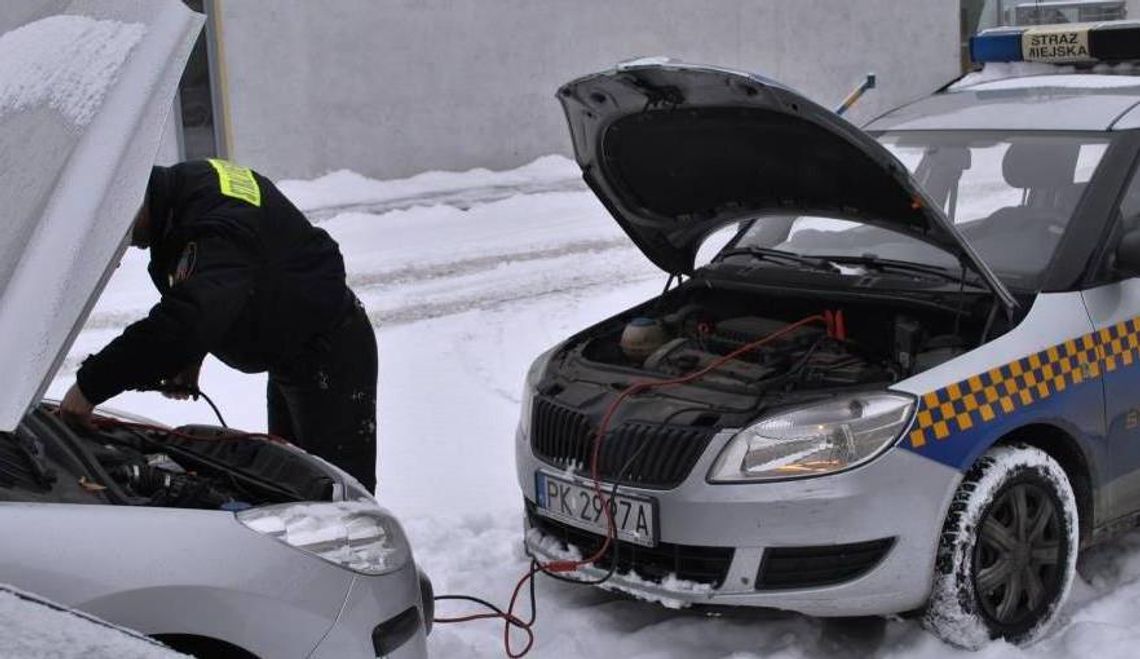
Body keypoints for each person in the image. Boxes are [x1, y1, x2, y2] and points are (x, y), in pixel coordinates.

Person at [59, 160, 378, 492]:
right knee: (294, 482)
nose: (127, 245)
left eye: (121, 232)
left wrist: (90, 386)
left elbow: (187, 318)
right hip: (292, 350)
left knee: (340, 493)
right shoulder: (186, 194)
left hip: (327, 352)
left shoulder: (217, 220)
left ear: (133, 198)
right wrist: (192, 355)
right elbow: (214, 286)